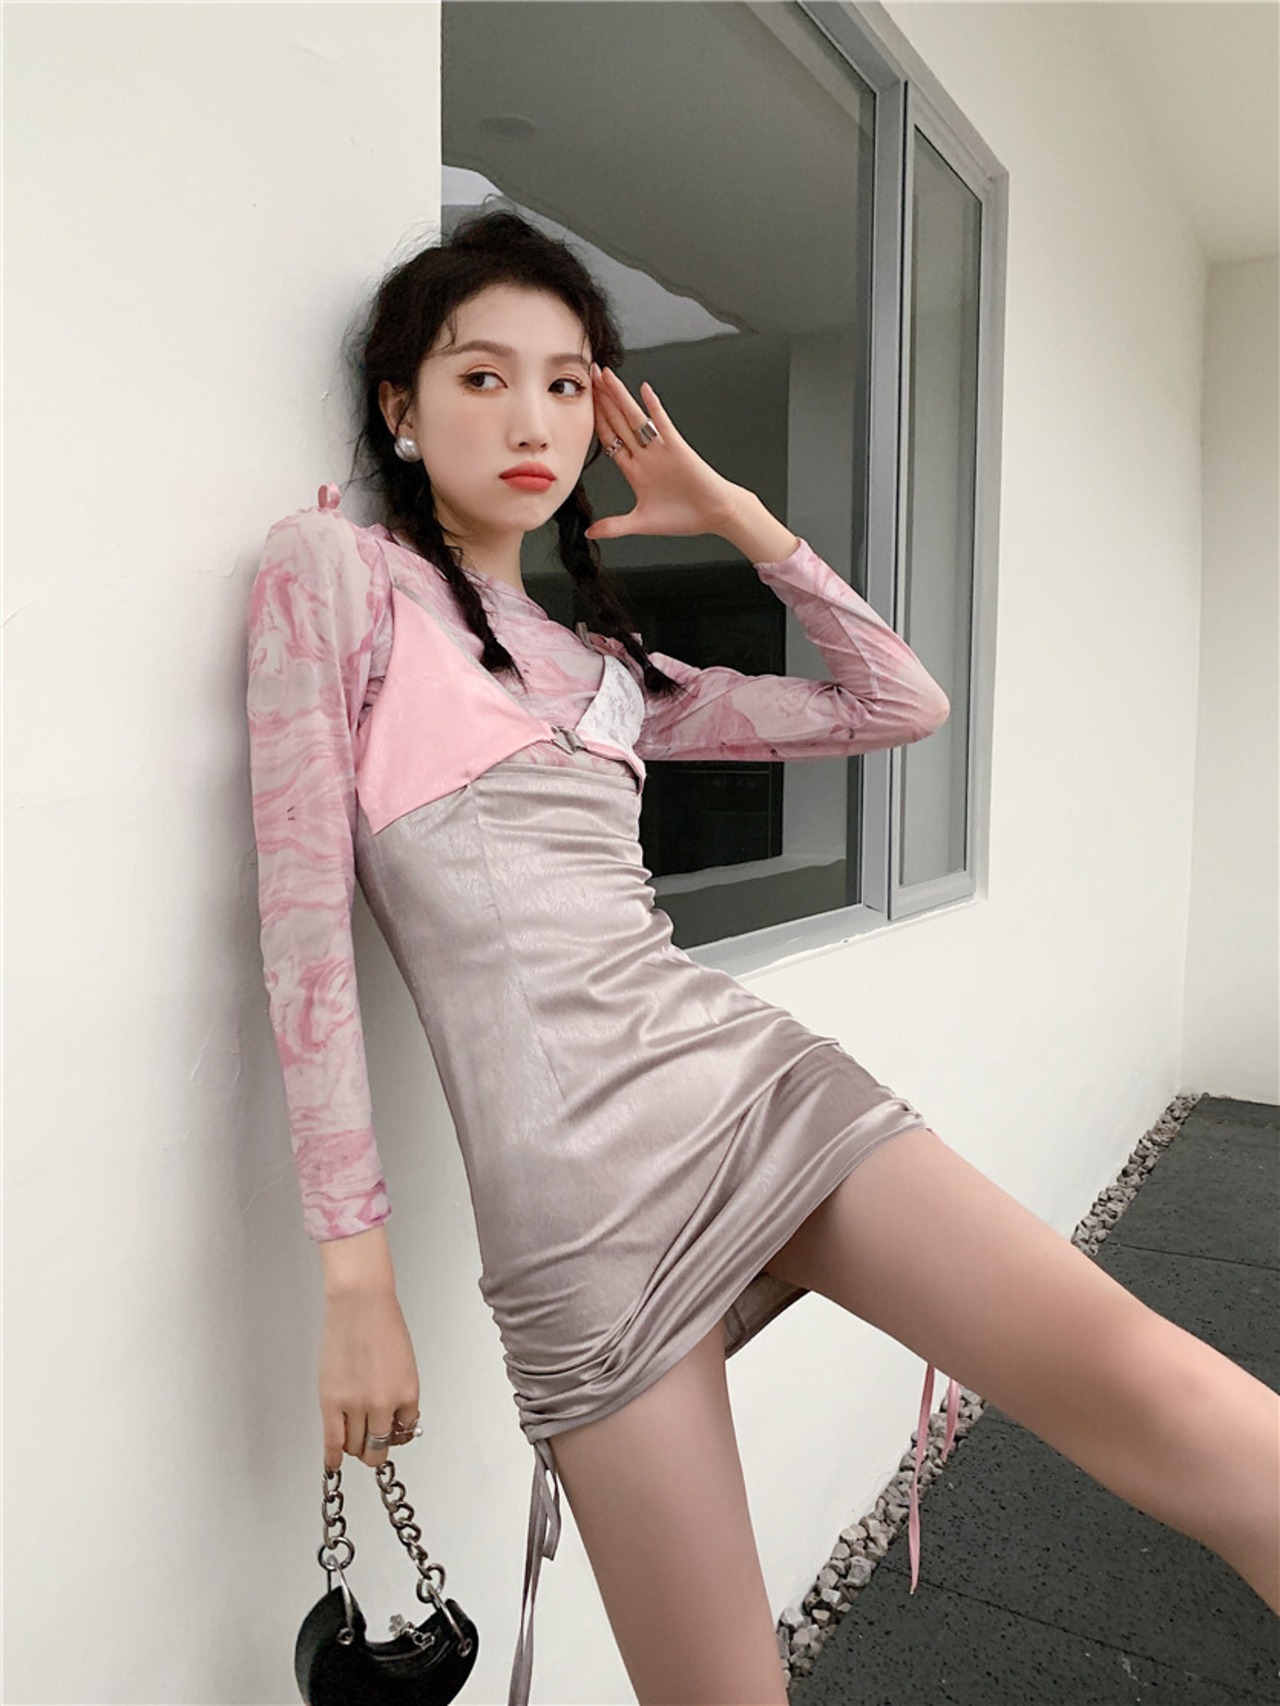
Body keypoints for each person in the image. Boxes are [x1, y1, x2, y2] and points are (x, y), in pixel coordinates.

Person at [246, 208, 1279, 1706]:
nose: (533, 420)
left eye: (566, 383)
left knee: (1181, 1403)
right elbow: (303, 948)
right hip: (580, 1221)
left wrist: (735, 514)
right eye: (483, 378)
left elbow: (898, 703)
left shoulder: (609, 670)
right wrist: (356, 1279)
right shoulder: (334, 579)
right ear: (400, 406)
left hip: (762, 1098)